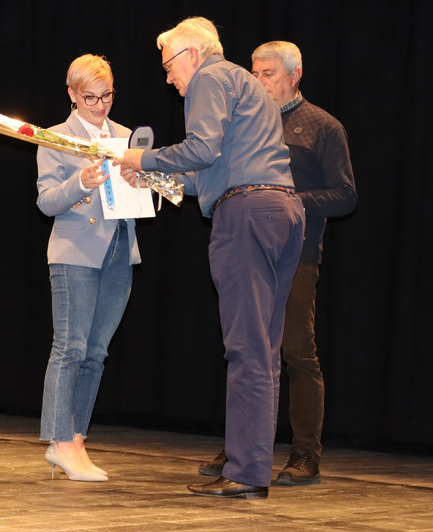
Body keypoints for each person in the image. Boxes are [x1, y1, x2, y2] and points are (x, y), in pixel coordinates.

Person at [117, 18, 305, 499]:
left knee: (246, 348)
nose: (168, 79)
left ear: (193, 55)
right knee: (263, 350)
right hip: (281, 209)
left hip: (246, 213)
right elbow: (210, 171)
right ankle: (251, 468)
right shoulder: (246, 84)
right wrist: (154, 178)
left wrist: (142, 159)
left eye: (169, 66)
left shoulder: (209, 78)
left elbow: (200, 148)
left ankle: (245, 472)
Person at [198, 41, 358, 487]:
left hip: (296, 251)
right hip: (248, 243)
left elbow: (346, 195)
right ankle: (243, 450)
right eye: (254, 73)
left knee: (295, 352)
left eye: (267, 73)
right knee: (247, 346)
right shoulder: (245, 120)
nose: (258, 81)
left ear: (295, 74)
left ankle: (305, 453)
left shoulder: (322, 126)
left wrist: (283, 199)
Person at [37, 54, 140, 482]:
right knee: (71, 349)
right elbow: (46, 201)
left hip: (120, 249)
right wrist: (80, 182)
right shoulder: (56, 137)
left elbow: (137, 196)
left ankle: (77, 439)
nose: (100, 105)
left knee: (96, 353)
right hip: (75, 251)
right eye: (90, 97)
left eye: (107, 95)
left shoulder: (126, 136)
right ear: (72, 95)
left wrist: (142, 184)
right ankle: (59, 441)